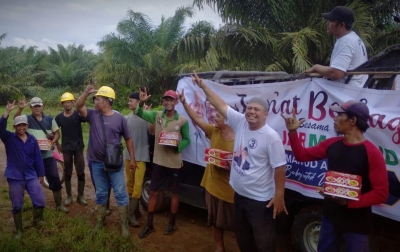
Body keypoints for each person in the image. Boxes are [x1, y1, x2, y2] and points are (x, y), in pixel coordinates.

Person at [191, 72, 288, 252]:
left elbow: (280, 168)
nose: (251, 111)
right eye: (249, 108)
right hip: (239, 196)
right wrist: (203, 85)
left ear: (265, 114)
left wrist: (279, 196)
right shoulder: (240, 122)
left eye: (256, 109)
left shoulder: (271, 137)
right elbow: (219, 104)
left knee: (264, 242)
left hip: (260, 201)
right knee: (244, 239)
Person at [281, 100, 389, 252]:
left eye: (339, 115)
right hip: (330, 218)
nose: (334, 118)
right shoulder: (332, 144)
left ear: (353, 120)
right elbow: (302, 156)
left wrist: (348, 203)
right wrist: (292, 132)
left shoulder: (372, 153)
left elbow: (381, 194)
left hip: (357, 224)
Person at [177, 88, 235, 252]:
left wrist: (232, 166)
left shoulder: (240, 138)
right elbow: (196, 118)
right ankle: (219, 247)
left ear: (229, 119)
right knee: (214, 220)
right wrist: (183, 102)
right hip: (211, 185)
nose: (214, 117)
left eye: (218, 115)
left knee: (236, 223)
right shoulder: (213, 131)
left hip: (231, 189)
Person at [75, 84, 136, 238]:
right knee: (101, 193)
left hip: (114, 163)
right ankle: (100, 221)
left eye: (98, 99)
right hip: (96, 163)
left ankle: (124, 225)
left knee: (120, 193)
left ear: (108, 101)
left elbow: (128, 139)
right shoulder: (93, 115)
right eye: (95, 99)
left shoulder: (120, 118)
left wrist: (133, 159)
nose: (95, 102)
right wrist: (86, 92)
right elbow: (78, 105)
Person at [136, 88, 190, 238]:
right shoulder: (157, 115)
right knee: (153, 191)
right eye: (166, 99)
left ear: (176, 102)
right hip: (159, 161)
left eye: (171, 99)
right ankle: (149, 224)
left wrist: (177, 147)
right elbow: (140, 113)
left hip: (174, 162)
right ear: (163, 102)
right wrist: (141, 102)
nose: (168, 102)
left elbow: (187, 139)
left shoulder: (182, 120)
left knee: (174, 193)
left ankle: (172, 223)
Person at [14, 97, 69, 213]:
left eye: (39, 105)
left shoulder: (49, 119)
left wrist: (53, 141)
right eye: (34, 106)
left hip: (47, 155)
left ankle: (59, 205)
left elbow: (57, 134)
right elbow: (16, 120)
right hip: (32, 157)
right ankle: (36, 206)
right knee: (33, 181)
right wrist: (19, 109)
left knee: (54, 179)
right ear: (31, 107)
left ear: (42, 106)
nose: (37, 108)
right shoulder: (26, 118)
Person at [0, 101, 46, 240]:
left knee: (39, 200)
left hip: (31, 175)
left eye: (23, 125)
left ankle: (38, 223)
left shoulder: (32, 139)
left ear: (27, 125)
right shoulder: (9, 138)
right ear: (14, 127)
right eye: (18, 125)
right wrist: (7, 112)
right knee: (17, 204)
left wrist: (41, 174)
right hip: (15, 176)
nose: (21, 127)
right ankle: (19, 230)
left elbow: (38, 158)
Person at [305, 6, 368, 88]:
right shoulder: (353, 37)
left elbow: (336, 73)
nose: (327, 23)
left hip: (348, 93)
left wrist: (316, 67)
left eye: (331, 21)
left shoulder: (346, 42)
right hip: (357, 90)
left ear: (342, 24)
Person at [55, 92, 87, 206]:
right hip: (66, 148)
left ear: (73, 103)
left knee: (81, 172)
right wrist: (58, 144)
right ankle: (69, 196)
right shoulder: (59, 118)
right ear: (62, 104)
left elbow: (86, 115)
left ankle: (80, 196)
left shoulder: (78, 115)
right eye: (65, 103)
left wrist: (81, 104)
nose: (67, 104)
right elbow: (54, 131)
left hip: (78, 147)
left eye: (69, 102)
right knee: (67, 172)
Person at [124, 92, 151, 227]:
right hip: (128, 157)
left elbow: (152, 131)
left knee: (138, 185)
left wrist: (146, 110)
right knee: (129, 183)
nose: (129, 103)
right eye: (128, 101)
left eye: (131, 101)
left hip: (141, 157)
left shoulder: (146, 118)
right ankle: (134, 211)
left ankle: (130, 215)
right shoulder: (126, 119)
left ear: (138, 102)